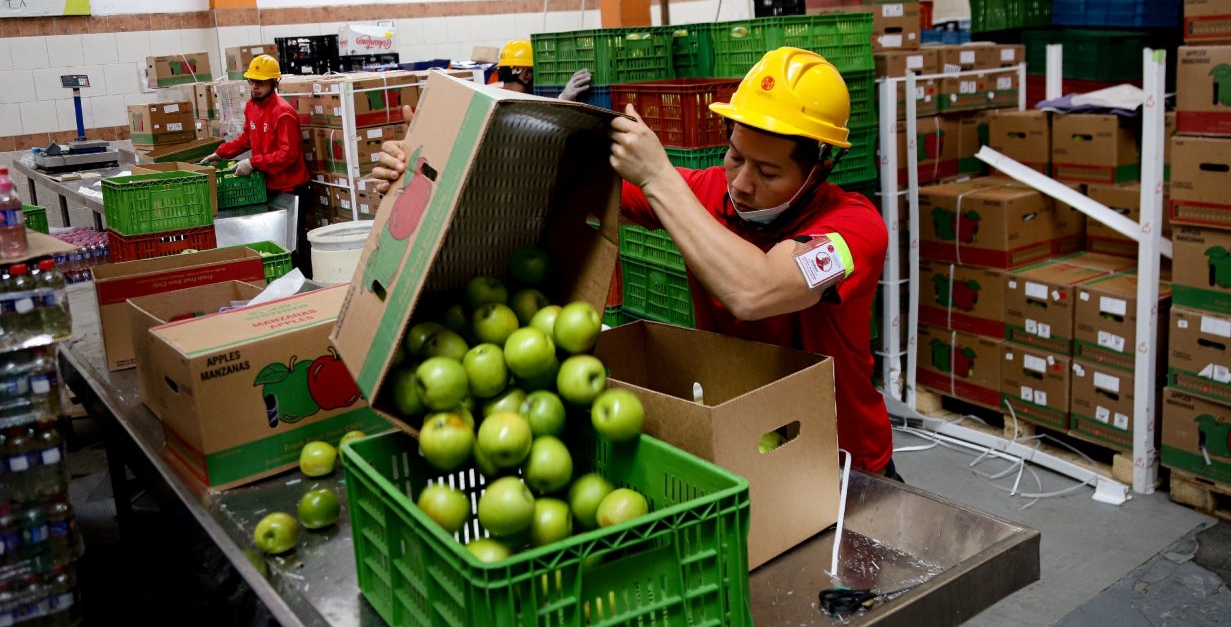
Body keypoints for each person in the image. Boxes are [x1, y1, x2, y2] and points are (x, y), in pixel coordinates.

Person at [372, 47, 896, 476]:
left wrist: (660, 177)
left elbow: (755, 291)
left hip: (843, 461)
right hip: (749, 439)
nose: (740, 182)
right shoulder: (708, 193)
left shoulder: (854, 231)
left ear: (821, 168)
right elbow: (548, 191)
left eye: (767, 170)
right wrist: (420, 181)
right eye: (735, 155)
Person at [201, 53, 311, 268]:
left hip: (290, 188)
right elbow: (246, 139)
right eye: (252, 81)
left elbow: (288, 154)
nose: (255, 87)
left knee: (291, 245)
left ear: (275, 82)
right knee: (273, 242)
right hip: (267, 185)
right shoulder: (252, 107)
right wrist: (221, 153)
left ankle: (298, 282)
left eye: (261, 82)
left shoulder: (283, 113)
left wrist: (252, 163)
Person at [494, 38, 592, 100]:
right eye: (538, 72)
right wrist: (563, 98)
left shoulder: (496, 97)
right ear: (526, 74)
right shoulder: (516, 104)